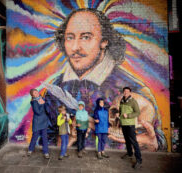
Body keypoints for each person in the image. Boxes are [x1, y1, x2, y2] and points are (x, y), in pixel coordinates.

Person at [44, 8, 166, 151]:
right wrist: (66, 138)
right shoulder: (54, 91)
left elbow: (160, 143)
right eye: (70, 37)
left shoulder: (136, 91)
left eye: (85, 37)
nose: (75, 47)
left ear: (104, 41)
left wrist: (154, 145)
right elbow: (44, 142)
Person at [117, 87, 142, 169]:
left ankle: (139, 160)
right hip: (123, 124)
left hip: (130, 125)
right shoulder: (122, 101)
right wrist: (119, 116)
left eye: (127, 91)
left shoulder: (133, 101)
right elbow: (120, 110)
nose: (126, 92)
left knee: (134, 142)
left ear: (130, 93)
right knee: (127, 140)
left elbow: (137, 112)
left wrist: (128, 115)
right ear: (123, 92)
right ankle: (130, 154)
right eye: (124, 91)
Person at [28, 89, 50, 159]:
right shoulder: (34, 102)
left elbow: (47, 110)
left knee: (44, 138)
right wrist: (42, 104)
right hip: (37, 122)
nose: (37, 93)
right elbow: (38, 112)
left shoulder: (42, 99)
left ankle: (46, 152)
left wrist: (45, 104)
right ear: (32, 95)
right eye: (35, 93)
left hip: (44, 121)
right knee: (35, 137)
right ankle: (30, 149)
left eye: (37, 91)